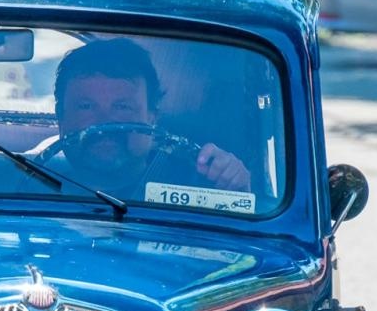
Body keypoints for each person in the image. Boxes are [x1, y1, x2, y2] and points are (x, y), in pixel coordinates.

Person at [48, 38, 251, 199]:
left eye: (122, 107)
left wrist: (235, 188)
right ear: (61, 118)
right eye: (86, 106)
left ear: (152, 118)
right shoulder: (31, 183)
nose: (104, 121)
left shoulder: (198, 186)